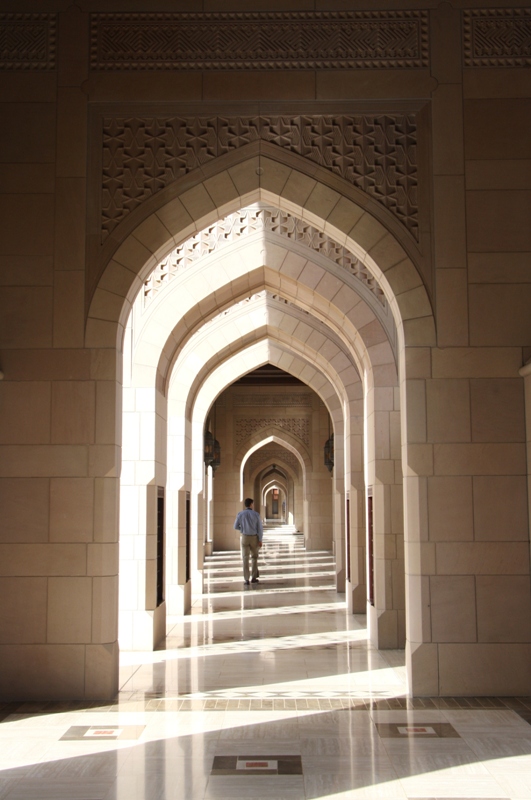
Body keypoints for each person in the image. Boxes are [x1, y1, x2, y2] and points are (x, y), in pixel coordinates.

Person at [233, 498, 263, 585]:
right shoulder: (256, 514)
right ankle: (254, 577)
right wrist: (260, 539)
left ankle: (246, 579)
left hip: (245, 537)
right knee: (254, 557)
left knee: (245, 558)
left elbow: (235, 526)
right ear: (251, 504)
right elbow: (259, 529)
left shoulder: (240, 514)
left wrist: (242, 529)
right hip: (254, 537)